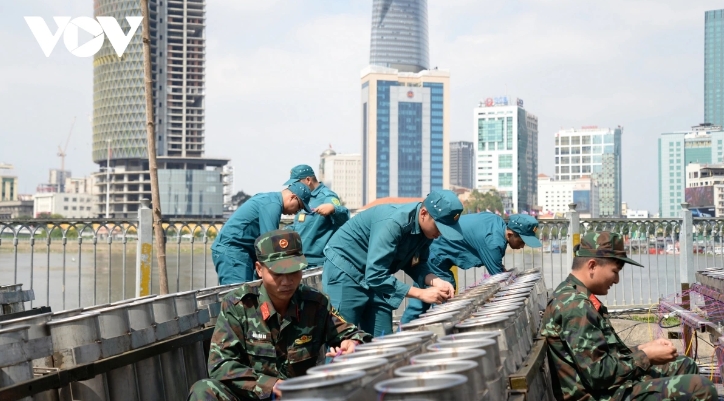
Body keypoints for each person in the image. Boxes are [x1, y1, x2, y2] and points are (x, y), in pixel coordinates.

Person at [188, 229, 372, 401]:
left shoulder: (315, 304)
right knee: (203, 389)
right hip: (254, 396)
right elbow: (221, 364)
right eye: (277, 273)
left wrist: (352, 343)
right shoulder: (239, 305)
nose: (287, 281)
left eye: (294, 271)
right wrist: (271, 385)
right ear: (259, 269)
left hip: (300, 396)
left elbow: (350, 334)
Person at [541, 231, 717, 401]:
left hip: (606, 390)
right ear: (592, 265)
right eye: (615, 271)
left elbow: (603, 356)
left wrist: (643, 348)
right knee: (700, 388)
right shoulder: (575, 307)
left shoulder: (576, 297)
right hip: (601, 395)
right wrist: (646, 355)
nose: (616, 280)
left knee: (683, 364)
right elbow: (598, 374)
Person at [322, 190, 463, 337]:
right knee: (344, 339)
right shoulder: (394, 223)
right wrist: (421, 293)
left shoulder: (427, 232)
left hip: (377, 277)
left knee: (383, 339)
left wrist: (436, 281)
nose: (440, 233)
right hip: (346, 270)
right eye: (439, 226)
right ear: (423, 214)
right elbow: (375, 274)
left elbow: (416, 263)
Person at [401, 213, 542, 323]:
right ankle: (440, 336)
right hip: (436, 255)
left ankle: (404, 331)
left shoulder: (496, 222)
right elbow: (501, 281)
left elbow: (497, 267)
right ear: (510, 234)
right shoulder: (493, 242)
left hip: (433, 250)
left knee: (422, 300)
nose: (523, 246)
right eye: (522, 241)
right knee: (444, 294)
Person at [211, 183, 312, 284]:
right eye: (299, 207)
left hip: (239, 252)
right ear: (293, 197)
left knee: (249, 294)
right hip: (232, 252)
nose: (296, 212)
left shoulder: (269, 198)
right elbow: (269, 245)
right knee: (237, 296)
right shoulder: (273, 205)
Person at [284, 164, 350, 267]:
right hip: (299, 260)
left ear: (308, 180)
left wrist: (333, 209)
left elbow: (344, 219)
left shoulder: (327, 196)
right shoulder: (303, 197)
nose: (293, 187)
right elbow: (302, 225)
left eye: (296, 183)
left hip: (317, 263)